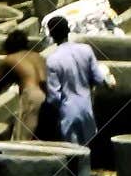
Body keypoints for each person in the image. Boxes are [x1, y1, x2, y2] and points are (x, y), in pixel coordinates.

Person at [43, 16, 114, 146]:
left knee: (72, 153)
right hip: (86, 107)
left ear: (51, 34)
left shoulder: (52, 60)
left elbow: (54, 97)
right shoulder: (86, 50)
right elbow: (98, 78)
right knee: (88, 149)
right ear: (68, 30)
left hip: (68, 110)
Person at [0, 29, 48, 141]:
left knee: (23, 139)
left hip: (31, 95)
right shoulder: (38, 56)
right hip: (48, 95)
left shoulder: (10, 59)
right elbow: (43, 79)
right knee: (43, 137)